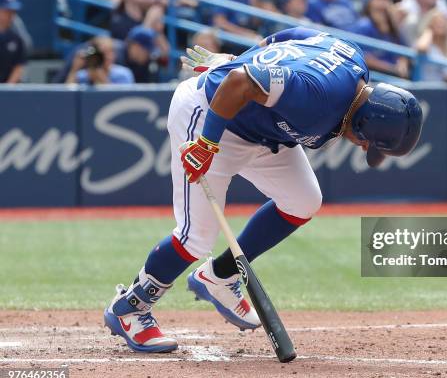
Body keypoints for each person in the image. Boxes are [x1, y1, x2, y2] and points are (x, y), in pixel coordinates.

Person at [102, 26, 423, 353]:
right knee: (196, 236)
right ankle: (130, 307)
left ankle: (219, 276)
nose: (361, 147)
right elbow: (240, 82)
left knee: (304, 201)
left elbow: (294, 34)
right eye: (366, 143)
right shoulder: (318, 96)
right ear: (364, 124)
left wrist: (246, 60)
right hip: (212, 116)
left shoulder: (350, 57)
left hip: (262, 131)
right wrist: (209, 140)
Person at [353, 0, 409, 78]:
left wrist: (402, 64)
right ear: (369, 3)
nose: (382, 3)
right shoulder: (364, 25)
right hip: (373, 76)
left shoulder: (393, 27)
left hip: (394, 75)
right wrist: (391, 69)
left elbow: (402, 51)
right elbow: (363, 56)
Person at [66, 36, 134, 85]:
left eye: (111, 51)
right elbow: (67, 97)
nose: (108, 56)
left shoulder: (123, 74)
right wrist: (74, 70)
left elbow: (119, 101)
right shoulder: (81, 76)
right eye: (104, 53)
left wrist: (101, 78)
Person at [0, 0, 26, 84]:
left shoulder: (17, 38)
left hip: (8, 93)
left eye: (13, 11)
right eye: (7, 11)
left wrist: (7, 91)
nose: (11, 15)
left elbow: (19, 67)